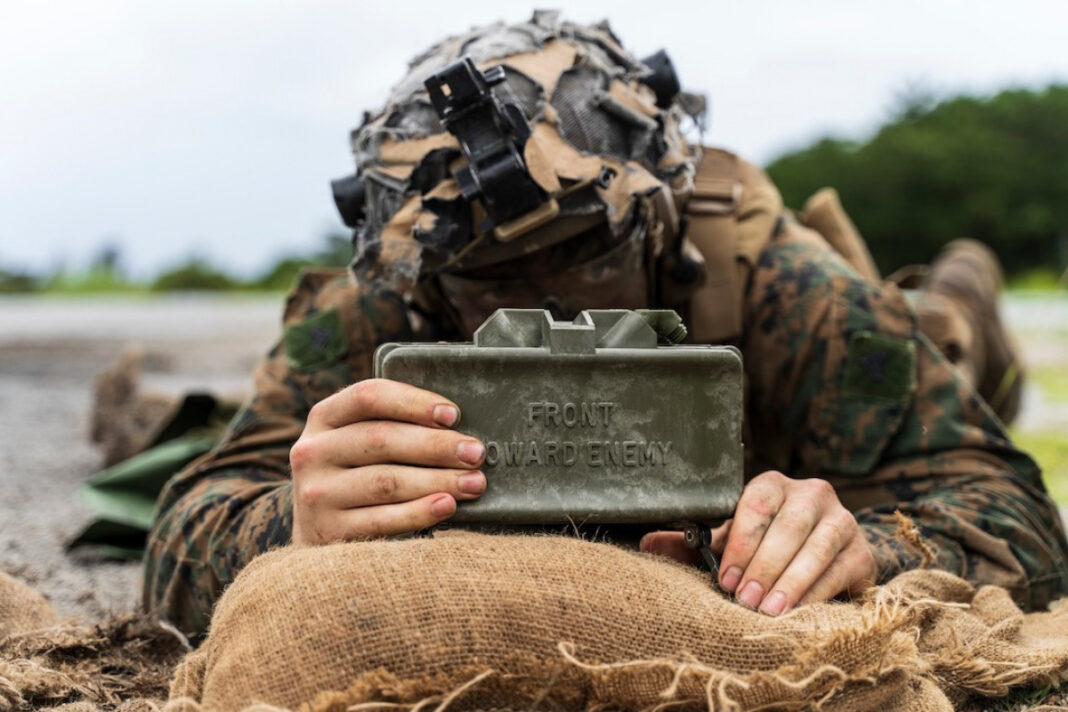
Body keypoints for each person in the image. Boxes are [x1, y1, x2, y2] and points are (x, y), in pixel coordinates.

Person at [143, 13, 1068, 638]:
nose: (548, 310)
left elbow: (1013, 512)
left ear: (658, 226)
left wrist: (873, 545)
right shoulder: (388, 296)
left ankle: (963, 294)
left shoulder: (782, 287)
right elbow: (183, 532)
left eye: (585, 261)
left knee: (938, 332)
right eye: (496, 283)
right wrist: (289, 525)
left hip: (882, 344)